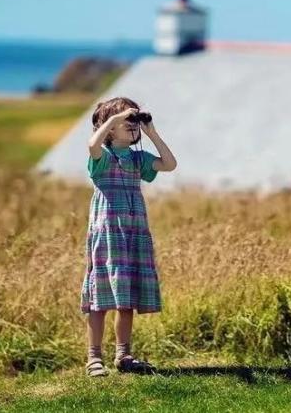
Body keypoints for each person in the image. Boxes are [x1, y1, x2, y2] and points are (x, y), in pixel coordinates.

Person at [81, 97, 177, 377]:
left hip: (133, 233)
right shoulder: (103, 157)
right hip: (108, 233)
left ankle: (123, 355)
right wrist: (111, 119)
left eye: (134, 123)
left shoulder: (138, 159)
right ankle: (93, 357)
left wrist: (151, 132)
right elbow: (91, 145)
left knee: (126, 297)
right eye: (127, 123)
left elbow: (169, 164)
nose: (133, 128)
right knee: (100, 296)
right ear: (109, 129)